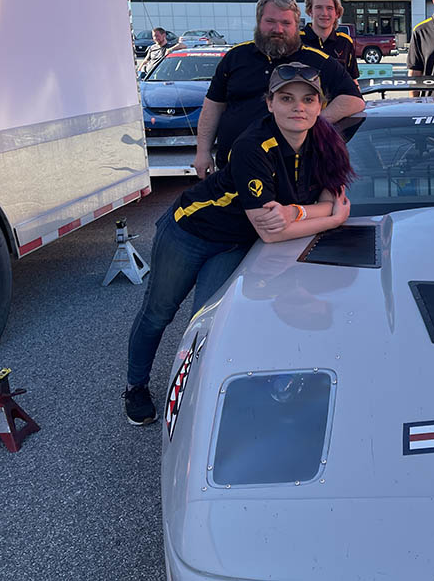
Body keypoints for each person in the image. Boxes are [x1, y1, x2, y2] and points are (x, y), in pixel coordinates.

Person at [123, 63, 355, 425]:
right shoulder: (252, 145)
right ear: (269, 103)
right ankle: (136, 387)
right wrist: (333, 219)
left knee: (207, 323)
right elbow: (272, 232)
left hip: (233, 243)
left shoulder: (326, 141)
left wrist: (297, 211)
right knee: (159, 313)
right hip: (190, 231)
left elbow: (332, 196)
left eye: (308, 99)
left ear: (318, 104)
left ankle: (200, 396)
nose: (299, 107)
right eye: (287, 98)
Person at [194, 0, 364, 177]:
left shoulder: (318, 61)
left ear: (296, 25)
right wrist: (202, 151)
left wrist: (314, 122)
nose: (278, 29)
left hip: (292, 173)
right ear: (259, 22)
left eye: (285, 23)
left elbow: (354, 100)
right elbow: (213, 106)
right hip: (233, 169)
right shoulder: (235, 57)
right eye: (270, 21)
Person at [300, 0, 360, 81]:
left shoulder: (345, 42)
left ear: (336, 13)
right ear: (310, 11)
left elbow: (352, 80)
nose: (324, 13)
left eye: (329, 8)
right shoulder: (297, 40)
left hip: (338, 95)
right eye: (318, 7)